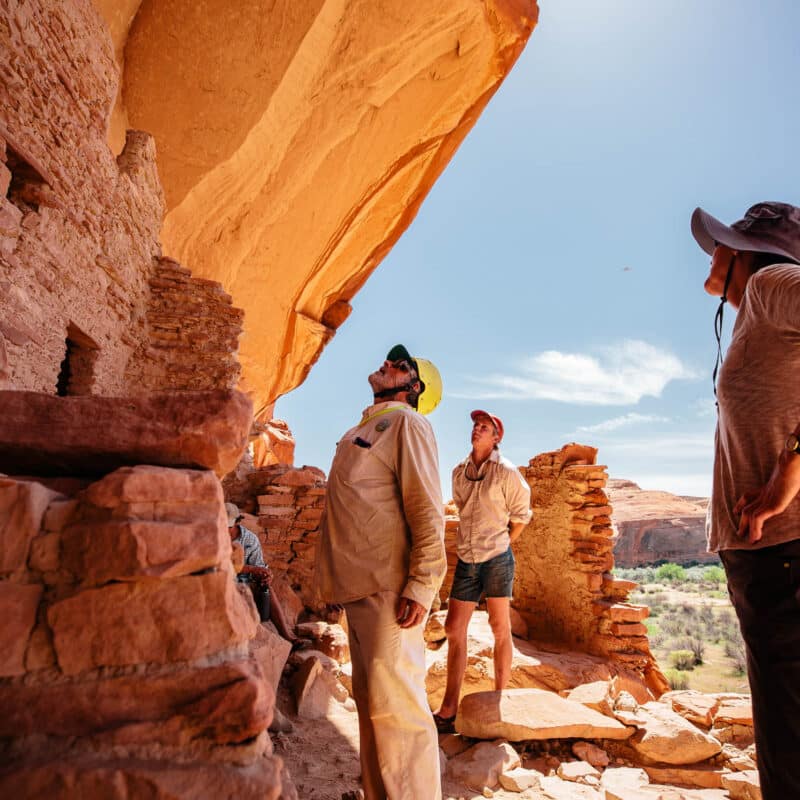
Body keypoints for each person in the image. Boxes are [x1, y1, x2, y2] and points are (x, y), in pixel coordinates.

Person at [691, 201, 800, 800]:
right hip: (771, 557)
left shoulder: (773, 284)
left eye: (721, 244)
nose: (711, 255)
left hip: (783, 553)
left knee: (789, 743)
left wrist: (793, 464)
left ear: (743, 252)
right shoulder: (759, 306)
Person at [315, 344, 447, 800]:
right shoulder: (364, 428)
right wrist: (330, 581)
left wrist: (423, 583)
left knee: (398, 711)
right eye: (392, 359)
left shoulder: (408, 423)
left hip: (389, 588)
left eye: (402, 365)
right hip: (359, 586)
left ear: (414, 388)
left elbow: (426, 507)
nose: (388, 363)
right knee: (373, 709)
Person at [433, 410, 532, 733]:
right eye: (475, 425)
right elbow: (461, 508)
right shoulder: (459, 472)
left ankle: (499, 700)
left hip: (497, 558)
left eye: (484, 427)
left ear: (496, 437)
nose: (477, 429)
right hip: (467, 558)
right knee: (453, 627)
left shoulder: (507, 473)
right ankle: (448, 708)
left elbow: (521, 515)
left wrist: (503, 543)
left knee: (499, 627)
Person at [226, 502, 304, 648]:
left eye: (229, 526)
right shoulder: (214, 537)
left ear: (237, 522)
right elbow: (218, 566)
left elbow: (259, 567)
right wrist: (250, 569)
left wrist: (264, 575)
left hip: (244, 583)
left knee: (267, 588)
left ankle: (287, 636)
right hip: (223, 582)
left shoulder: (250, 539)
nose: (225, 529)